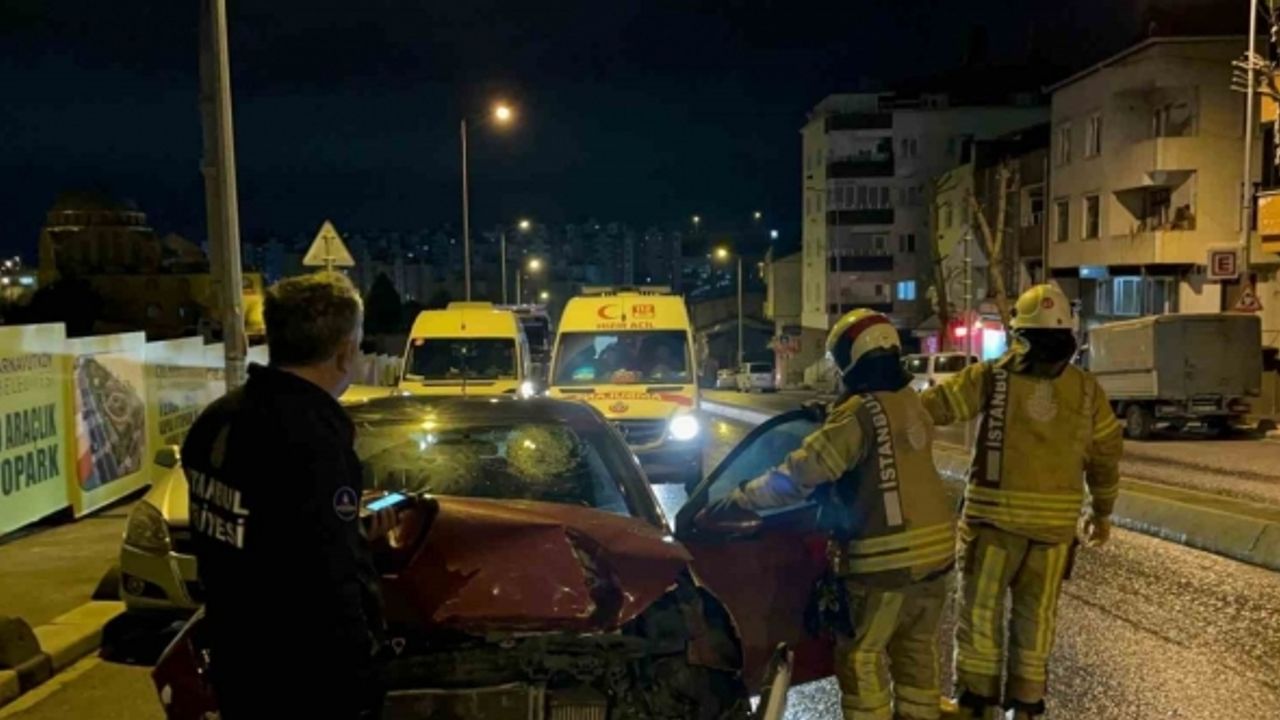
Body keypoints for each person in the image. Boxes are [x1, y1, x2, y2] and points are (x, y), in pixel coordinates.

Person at [703, 308, 956, 720]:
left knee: (862, 661)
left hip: (883, 567)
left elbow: (801, 475)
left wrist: (742, 499)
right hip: (937, 563)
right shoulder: (908, 402)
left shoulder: (859, 415)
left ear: (851, 358)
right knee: (916, 657)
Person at [183, 272, 397, 719]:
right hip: (306, 678)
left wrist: (353, 533)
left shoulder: (218, 421)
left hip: (239, 661)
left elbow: (267, 532)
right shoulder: (312, 437)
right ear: (344, 352)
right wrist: (362, 675)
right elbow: (327, 573)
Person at [924, 285, 1123, 720]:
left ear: (1021, 335)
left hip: (993, 528)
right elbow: (1106, 455)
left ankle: (978, 704)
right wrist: (1102, 512)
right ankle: (1027, 706)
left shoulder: (991, 378)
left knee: (980, 615)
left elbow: (934, 407)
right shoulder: (1088, 392)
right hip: (1053, 536)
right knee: (1036, 620)